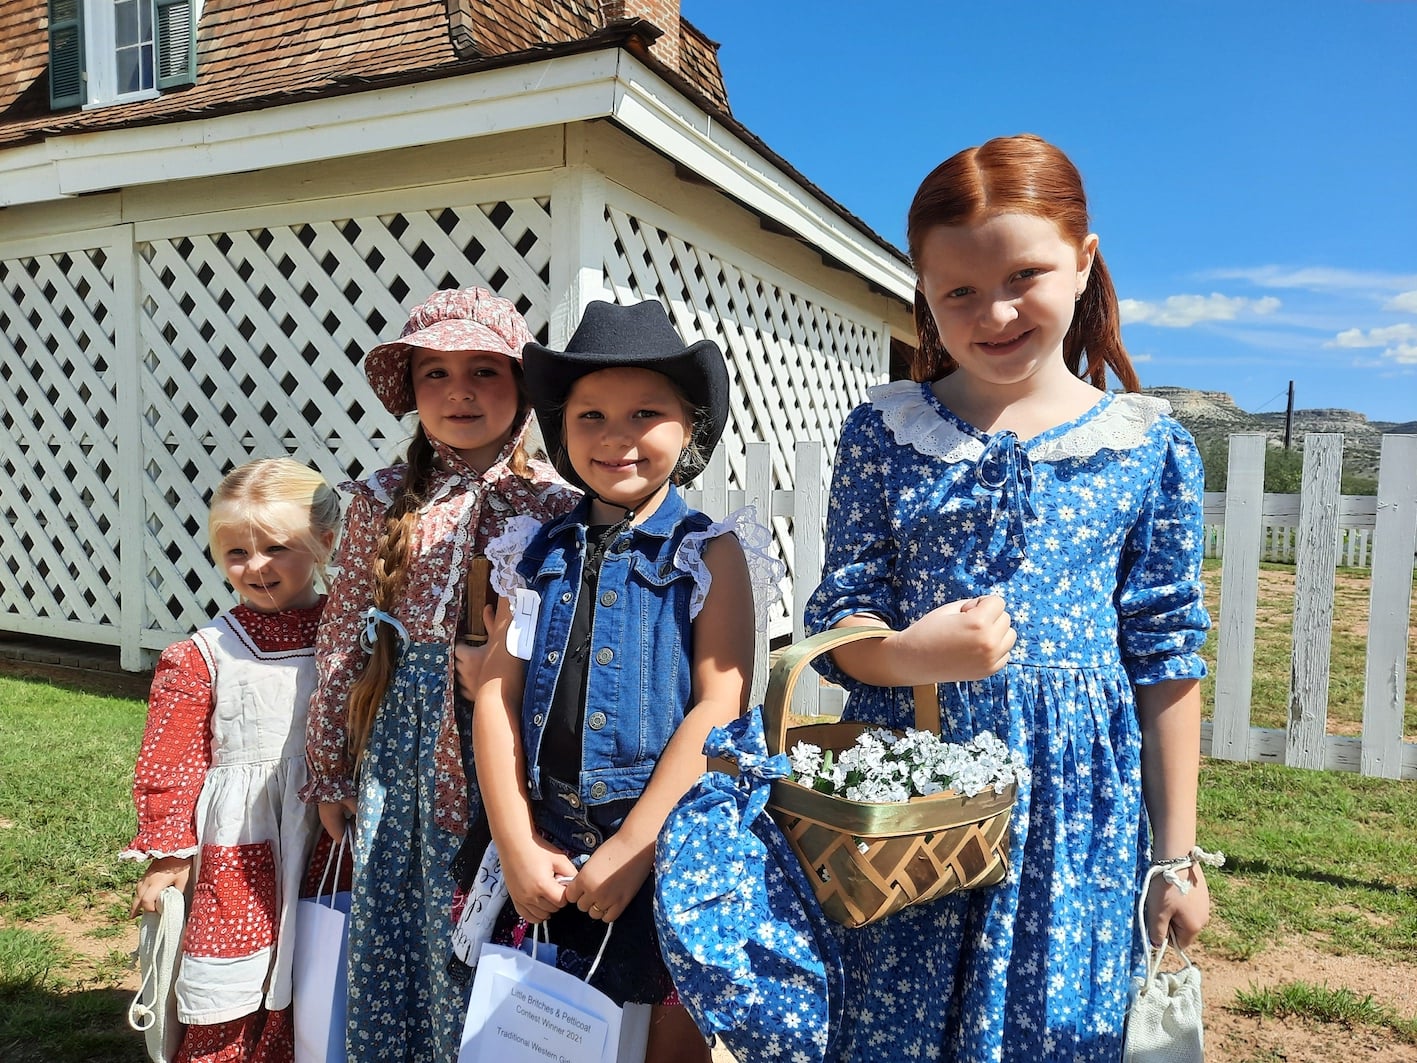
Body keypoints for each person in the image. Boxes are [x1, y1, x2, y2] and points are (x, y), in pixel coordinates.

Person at [803, 133, 1213, 1063]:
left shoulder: (1146, 447)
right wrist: (910, 655)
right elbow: (840, 617)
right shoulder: (884, 430)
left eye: (1024, 275)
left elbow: (1165, 655)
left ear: (1084, 262)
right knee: (892, 1027)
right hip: (910, 795)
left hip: (1073, 812)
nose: (993, 312)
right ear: (923, 290)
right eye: (957, 292)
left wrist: (1175, 855)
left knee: (1049, 1030)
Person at [471, 299, 780, 1062]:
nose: (616, 437)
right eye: (590, 416)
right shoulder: (531, 549)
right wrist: (514, 841)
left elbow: (720, 703)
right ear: (561, 427)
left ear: (690, 427)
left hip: (664, 849)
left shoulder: (708, 554)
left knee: (663, 1035)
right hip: (547, 843)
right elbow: (496, 693)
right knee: (544, 1028)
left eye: (645, 412)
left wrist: (637, 845)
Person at [301, 287, 579, 1062]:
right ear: (411, 390)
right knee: (404, 917)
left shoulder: (558, 506)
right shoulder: (381, 499)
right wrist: (331, 769)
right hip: (406, 748)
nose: (460, 391)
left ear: (522, 388)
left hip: (515, 743)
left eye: (485, 371)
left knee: (495, 919)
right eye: (436, 373)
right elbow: (341, 640)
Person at [125, 457, 341, 1062]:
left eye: (277, 547)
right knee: (237, 972)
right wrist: (168, 855)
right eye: (237, 553)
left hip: (328, 836)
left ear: (324, 542)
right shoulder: (202, 655)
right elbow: (171, 758)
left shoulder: (353, 638)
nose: (257, 567)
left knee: (319, 956)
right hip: (240, 843)